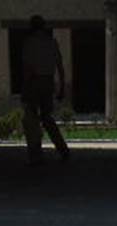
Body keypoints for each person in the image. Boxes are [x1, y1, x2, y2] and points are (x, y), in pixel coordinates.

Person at [21, 14, 70, 165]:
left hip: (34, 81)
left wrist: (25, 87)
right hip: (48, 81)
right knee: (47, 118)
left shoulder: (29, 43)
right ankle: (62, 149)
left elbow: (27, 67)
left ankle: (35, 153)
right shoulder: (51, 42)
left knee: (31, 119)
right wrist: (61, 86)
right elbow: (60, 67)